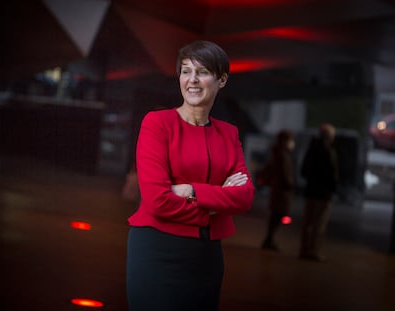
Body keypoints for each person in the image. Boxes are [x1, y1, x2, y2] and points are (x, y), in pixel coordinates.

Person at [126, 40, 255, 311]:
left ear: (221, 80)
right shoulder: (157, 124)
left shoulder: (228, 134)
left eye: (202, 72)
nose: (192, 80)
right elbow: (156, 200)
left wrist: (192, 191)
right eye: (186, 71)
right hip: (156, 251)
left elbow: (244, 197)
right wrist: (214, 208)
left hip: (206, 258)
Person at [299, 123, 339, 262]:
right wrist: (333, 188)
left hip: (311, 191)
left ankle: (304, 249)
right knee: (319, 224)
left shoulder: (311, 150)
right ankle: (313, 250)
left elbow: (303, 170)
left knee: (308, 222)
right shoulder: (329, 152)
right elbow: (333, 174)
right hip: (323, 194)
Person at [260, 129, 295, 251]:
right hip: (281, 190)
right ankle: (269, 239)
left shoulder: (278, 153)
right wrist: (290, 184)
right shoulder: (283, 155)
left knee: (276, 214)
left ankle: (269, 239)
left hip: (277, 189)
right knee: (278, 214)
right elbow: (285, 174)